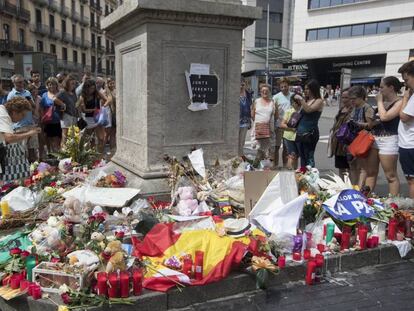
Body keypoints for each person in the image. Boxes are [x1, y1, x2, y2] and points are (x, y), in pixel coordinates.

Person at [370, 77, 403, 196]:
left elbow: (385, 117)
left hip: (389, 139)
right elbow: (376, 120)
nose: (379, 90)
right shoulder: (383, 102)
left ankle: (393, 203)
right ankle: (366, 200)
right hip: (374, 138)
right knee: (371, 172)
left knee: (390, 175)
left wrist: (379, 101)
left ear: (391, 88)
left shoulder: (400, 102)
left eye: (382, 87)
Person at [0, 97, 41, 182]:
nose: (22, 118)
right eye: (22, 115)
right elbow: (9, 138)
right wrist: (30, 133)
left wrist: (28, 131)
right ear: (15, 112)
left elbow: (7, 136)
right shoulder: (3, 114)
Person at [348, 85, 376, 191]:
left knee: (363, 167)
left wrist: (357, 124)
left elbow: (370, 125)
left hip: (363, 140)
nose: (352, 101)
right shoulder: (355, 108)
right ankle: (354, 186)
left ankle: (359, 188)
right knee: (354, 165)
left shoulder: (367, 108)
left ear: (361, 97)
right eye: (351, 99)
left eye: (354, 99)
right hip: (354, 139)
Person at [7, 74, 39, 162]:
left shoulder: (27, 93)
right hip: (19, 126)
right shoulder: (11, 95)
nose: (21, 84)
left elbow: (33, 107)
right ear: (13, 83)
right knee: (22, 151)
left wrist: (31, 104)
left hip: (30, 124)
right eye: (19, 82)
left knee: (33, 149)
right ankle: (24, 170)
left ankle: (34, 170)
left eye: (22, 82)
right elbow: (10, 111)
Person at [295, 79, 324, 168]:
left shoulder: (319, 101)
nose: (305, 91)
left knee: (309, 157)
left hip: (310, 133)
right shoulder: (307, 101)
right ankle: (303, 176)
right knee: (302, 157)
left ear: (313, 89)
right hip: (300, 132)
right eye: (305, 89)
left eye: (308, 89)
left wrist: (301, 100)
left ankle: (311, 177)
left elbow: (309, 110)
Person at [329, 88, 354, 180]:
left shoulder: (353, 110)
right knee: (341, 166)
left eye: (346, 97)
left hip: (348, 142)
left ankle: (350, 186)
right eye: (342, 97)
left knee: (350, 167)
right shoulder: (342, 109)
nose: (344, 100)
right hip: (338, 143)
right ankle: (343, 185)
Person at [397, 60, 414, 198]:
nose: (405, 84)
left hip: (409, 144)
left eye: (406, 80)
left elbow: (403, 116)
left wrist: (405, 98)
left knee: (412, 181)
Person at [78, 79, 108, 153]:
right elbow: (83, 110)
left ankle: (99, 154)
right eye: (91, 88)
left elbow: (106, 99)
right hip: (89, 119)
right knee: (89, 138)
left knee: (101, 138)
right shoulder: (83, 97)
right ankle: (89, 154)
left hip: (98, 118)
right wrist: (93, 110)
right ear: (86, 88)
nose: (92, 90)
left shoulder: (97, 93)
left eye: (93, 88)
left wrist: (103, 107)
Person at [251, 84, 278, 166]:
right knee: (260, 149)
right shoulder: (256, 101)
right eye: (263, 91)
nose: (265, 92)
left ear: (270, 92)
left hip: (269, 130)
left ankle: (268, 168)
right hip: (259, 129)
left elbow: (276, 115)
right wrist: (260, 125)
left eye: (267, 91)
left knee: (270, 150)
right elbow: (252, 115)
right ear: (260, 92)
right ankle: (257, 167)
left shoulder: (272, 102)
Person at [40, 77, 64, 153]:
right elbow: (42, 108)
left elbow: (65, 105)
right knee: (51, 138)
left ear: (56, 85)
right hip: (49, 121)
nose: (51, 86)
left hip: (60, 120)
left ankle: (59, 154)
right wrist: (42, 118)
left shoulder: (60, 93)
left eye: (53, 84)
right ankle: (53, 154)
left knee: (59, 138)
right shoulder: (44, 95)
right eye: (49, 84)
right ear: (47, 85)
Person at [272, 78, 292, 167]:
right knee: (276, 147)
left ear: (289, 86)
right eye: (282, 87)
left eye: (285, 86)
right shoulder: (276, 97)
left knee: (287, 148)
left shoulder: (293, 96)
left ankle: (285, 166)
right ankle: (275, 166)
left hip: (289, 126)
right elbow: (272, 111)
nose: (284, 88)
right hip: (278, 126)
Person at [280, 95, 301, 170]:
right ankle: (289, 172)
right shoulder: (289, 111)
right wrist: (291, 129)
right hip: (289, 136)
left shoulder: (302, 112)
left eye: (296, 102)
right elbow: (282, 124)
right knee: (292, 155)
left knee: (297, 155)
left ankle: (295, 172)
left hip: (299, 137)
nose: (294, 103)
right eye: (293, 102)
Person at [57, 75, 78, 146]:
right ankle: (62, 155)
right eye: (72, 83)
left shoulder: (74, 93)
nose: (73, 85)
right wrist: (63, 104)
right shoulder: (63, 92)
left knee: (72, 137)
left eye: (74, 84)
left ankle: (70, 154)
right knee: (65, 137)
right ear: (67, 83)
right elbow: (54, 98)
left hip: (74, 116)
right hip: (66, 116)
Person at [238, 80, 252, 156]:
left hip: (245, 121)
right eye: (240, 84)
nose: (241, 86)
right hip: (236, 121)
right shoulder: (235, 93)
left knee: (242, 140)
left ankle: (240, 155)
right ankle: (236, 155)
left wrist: (250, 120)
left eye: (243, 84)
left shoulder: (248, 94)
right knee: (235, 140)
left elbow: (250, 107)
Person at [104, 77, 117, 154]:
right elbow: (104, 103)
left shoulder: (115, 91)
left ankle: (112, 150)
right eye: (110, 83)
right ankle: (101, 151)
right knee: (106, 134)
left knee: (113, 133)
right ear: (107, 84)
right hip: (108, 115)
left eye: (113, 83)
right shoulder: (105, 92)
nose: (112, 84)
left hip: (114, 114)